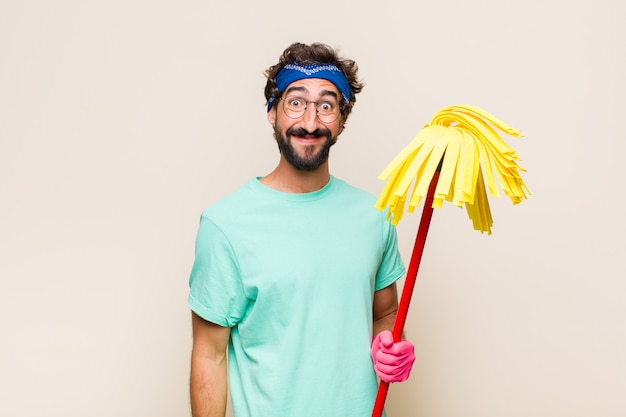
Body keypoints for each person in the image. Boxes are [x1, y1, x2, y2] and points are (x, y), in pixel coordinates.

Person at [188, 42, 415, 417]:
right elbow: (209, 355)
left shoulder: (374, 215)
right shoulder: (225, 225)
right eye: (296, 102)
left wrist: (391, 344)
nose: (310, 122)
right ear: (271, 111)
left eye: (326, 105)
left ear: (342, 118)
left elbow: (384, 313)